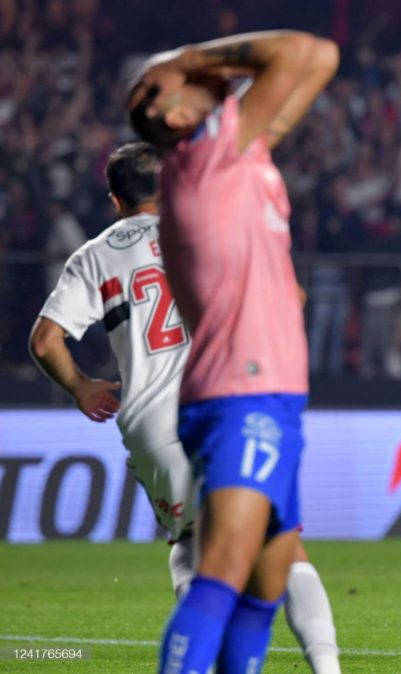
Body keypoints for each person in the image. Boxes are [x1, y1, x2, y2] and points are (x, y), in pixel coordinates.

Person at [28, 143, 341, 674]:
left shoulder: (94, 254)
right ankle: (326, 667)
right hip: (224, 406)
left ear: (114, 199)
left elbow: (44, 340)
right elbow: (291, 297)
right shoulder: (208, 227)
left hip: (149, 422)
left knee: (192, 544)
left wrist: (81, 386)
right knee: (279, 544)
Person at [125, 30, 339, 672]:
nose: (212, 75)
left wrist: (186, 69)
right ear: (174, 114)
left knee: (262, 595)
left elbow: (322, 59)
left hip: (268, 392)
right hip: (242, 392)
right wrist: (184, 59)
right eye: (185, 83)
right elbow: (300, 51)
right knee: (221, 576)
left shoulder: (234, 156)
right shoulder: (206, 156)